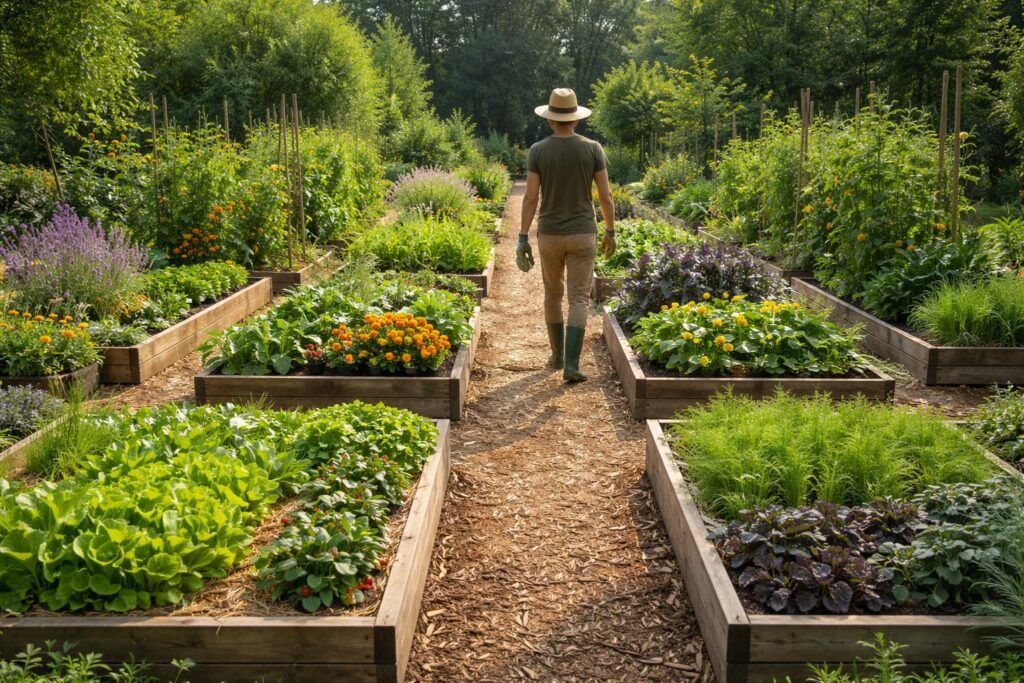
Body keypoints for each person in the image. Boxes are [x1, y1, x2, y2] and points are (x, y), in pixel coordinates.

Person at [516, 88, 615, 383]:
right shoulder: (592, 148)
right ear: (576, 119)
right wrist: (610, 230)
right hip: (584, 233)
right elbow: (605, 195)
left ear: (550, 120)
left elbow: (531, 199)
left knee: (552, 294)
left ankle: (557, 356)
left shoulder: (538, 151)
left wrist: (522, 236)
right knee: (579, 299)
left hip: (550, 234)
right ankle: (572, 365)